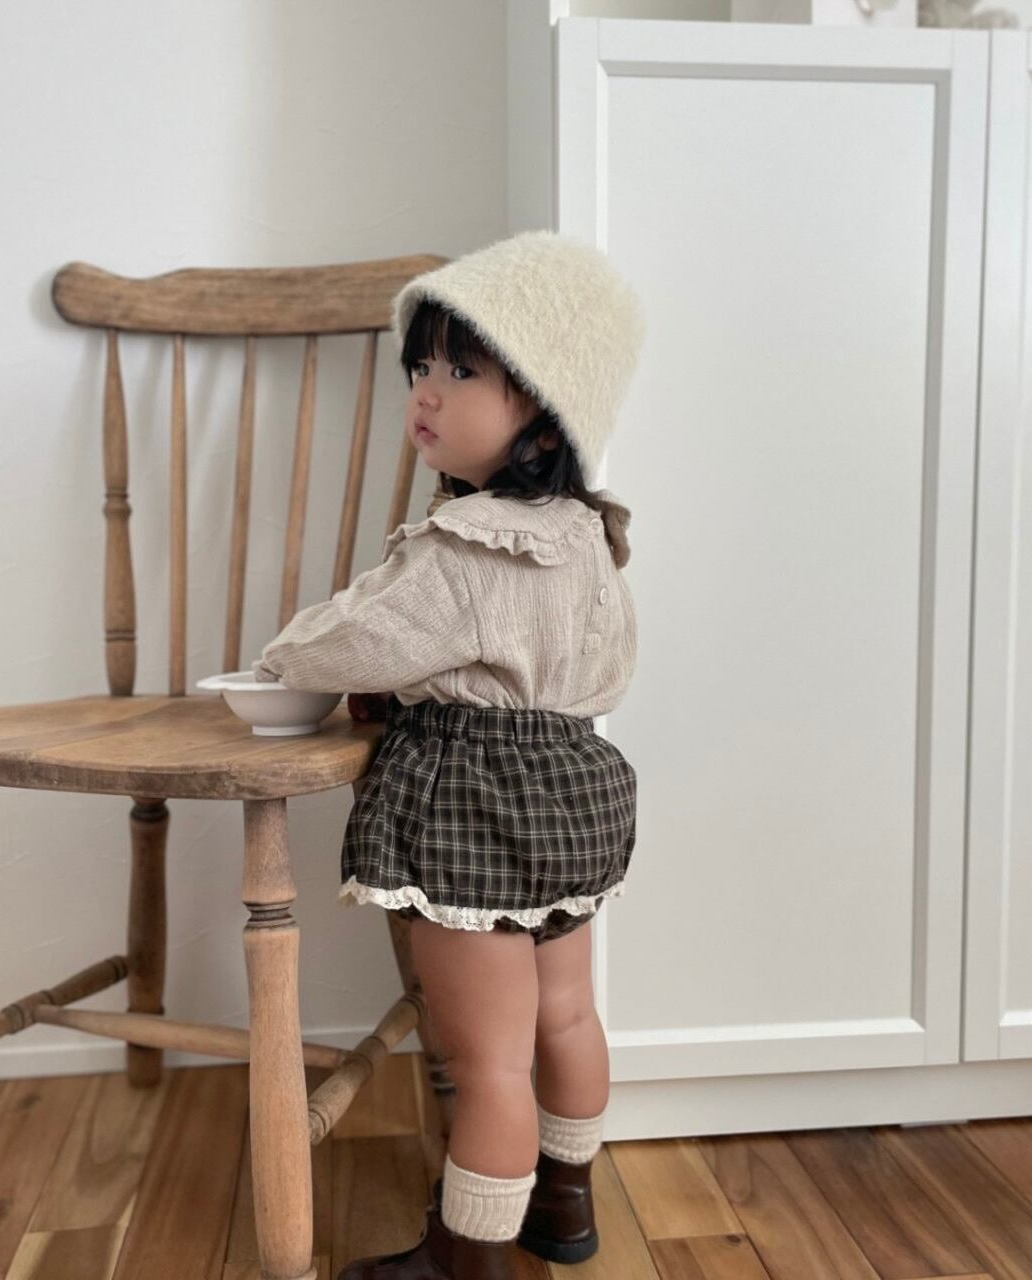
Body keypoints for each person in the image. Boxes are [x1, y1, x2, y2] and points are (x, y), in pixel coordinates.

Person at [252, 229, 643, 1280]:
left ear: (544, 415)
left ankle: (464, 1257)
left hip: (477, 801)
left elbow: (347, 641)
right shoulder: (591, 538)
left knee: (487, 1060)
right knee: (566, 1015)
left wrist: (284, 656)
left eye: (461, 372)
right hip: (576, 789)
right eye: (420, 366)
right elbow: (601, 665)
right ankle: (562, 1202)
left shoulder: (462, 547)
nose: (425, 391)